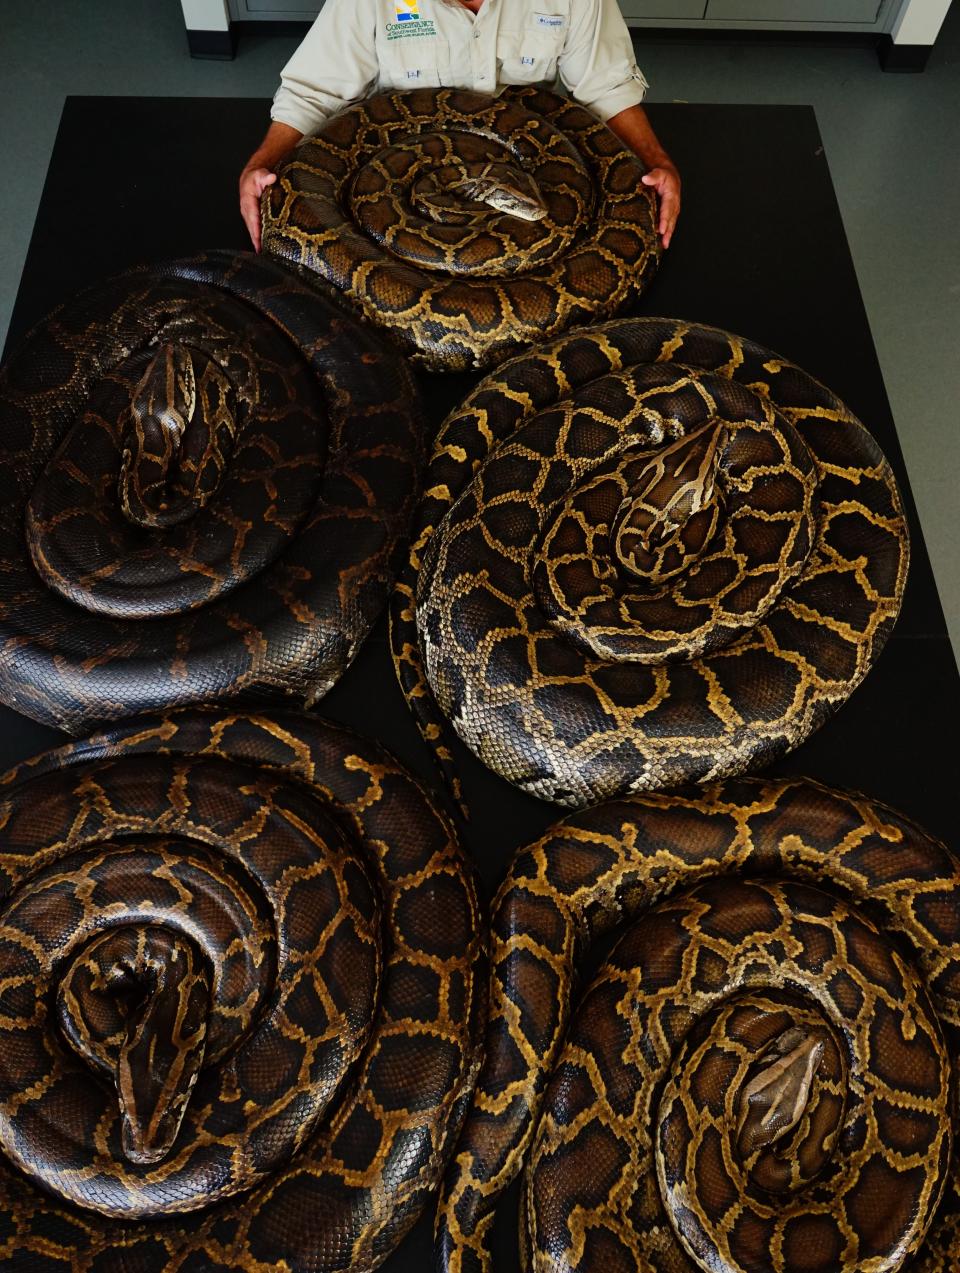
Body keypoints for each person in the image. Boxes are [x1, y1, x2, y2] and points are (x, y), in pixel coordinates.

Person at [239, 0, 680, 253]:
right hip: (395, 175)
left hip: (526, 170)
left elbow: (607, 85)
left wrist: (656, 162)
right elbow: (314, 90)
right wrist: (264, 164)